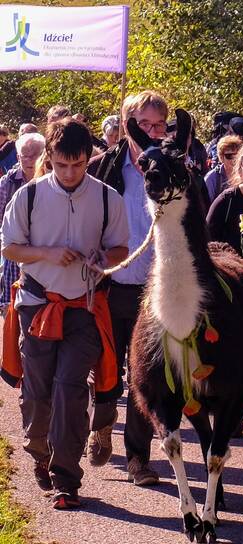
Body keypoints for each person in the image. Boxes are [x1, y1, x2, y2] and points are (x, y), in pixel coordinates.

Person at [0, 118, 129, 509]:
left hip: (85, 307)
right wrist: (48, 253)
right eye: (61, 165)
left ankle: (66, 478)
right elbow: (9, 248)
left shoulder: (108, 198)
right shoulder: (29, 196)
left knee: (71, 389)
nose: (70, 173)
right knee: (38, 392)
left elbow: (121, 250)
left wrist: (102, 258)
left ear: (89, 158)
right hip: (38, 305)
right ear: (49, 158)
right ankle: (40, 452)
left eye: (78, 165)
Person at [86, 90, 169, 487]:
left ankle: (139, 458)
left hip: (154, 292)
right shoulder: (103, 166)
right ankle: (101, 422)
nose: (151, 132)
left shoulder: (170, 168)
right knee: (107, 371)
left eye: (158, 125)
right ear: (127, 124)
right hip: (110, 284)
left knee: (145, 378)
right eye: (144, 124)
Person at [0, 133, 46, 313]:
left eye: (34, 154)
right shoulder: (7, 183)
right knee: (13, 312)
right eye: (24, 155)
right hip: (14, 259)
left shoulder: (54, 182)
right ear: (18, 157)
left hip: (45, 259)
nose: (29, 160)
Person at [203, 135, 241, 203]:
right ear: (221, 157)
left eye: (236, 155)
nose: (233, 160)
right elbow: (205, 205)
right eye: (229, 156)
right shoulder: (212, 178)